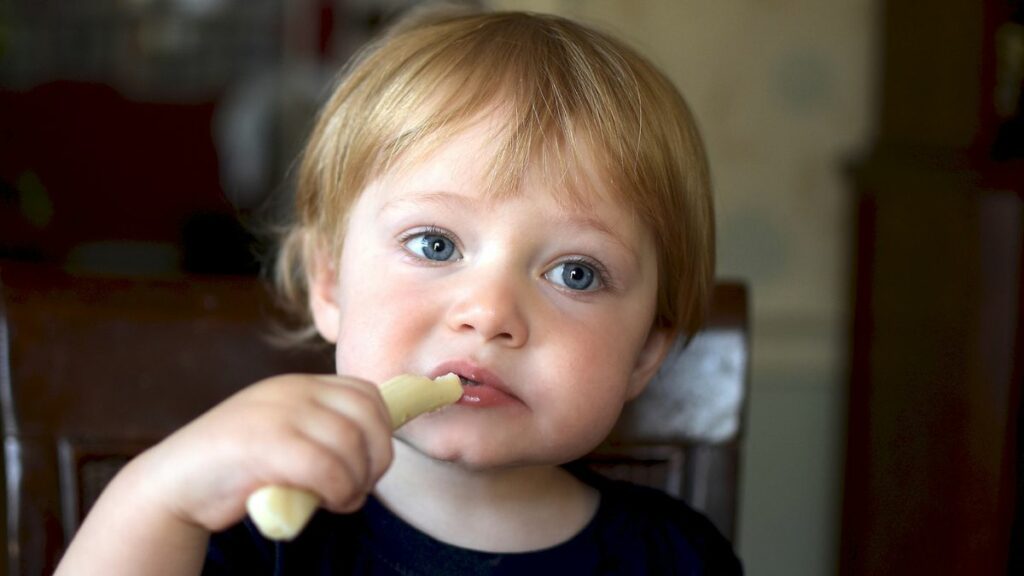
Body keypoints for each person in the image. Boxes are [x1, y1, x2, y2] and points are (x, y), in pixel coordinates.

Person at [55, 6, 741, 575]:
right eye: (435, 245)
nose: (489, 314)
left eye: (576, 273)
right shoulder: (245, 529)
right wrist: (157, 499)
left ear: (648, 351)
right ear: (328, 282)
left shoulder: (678, 557)